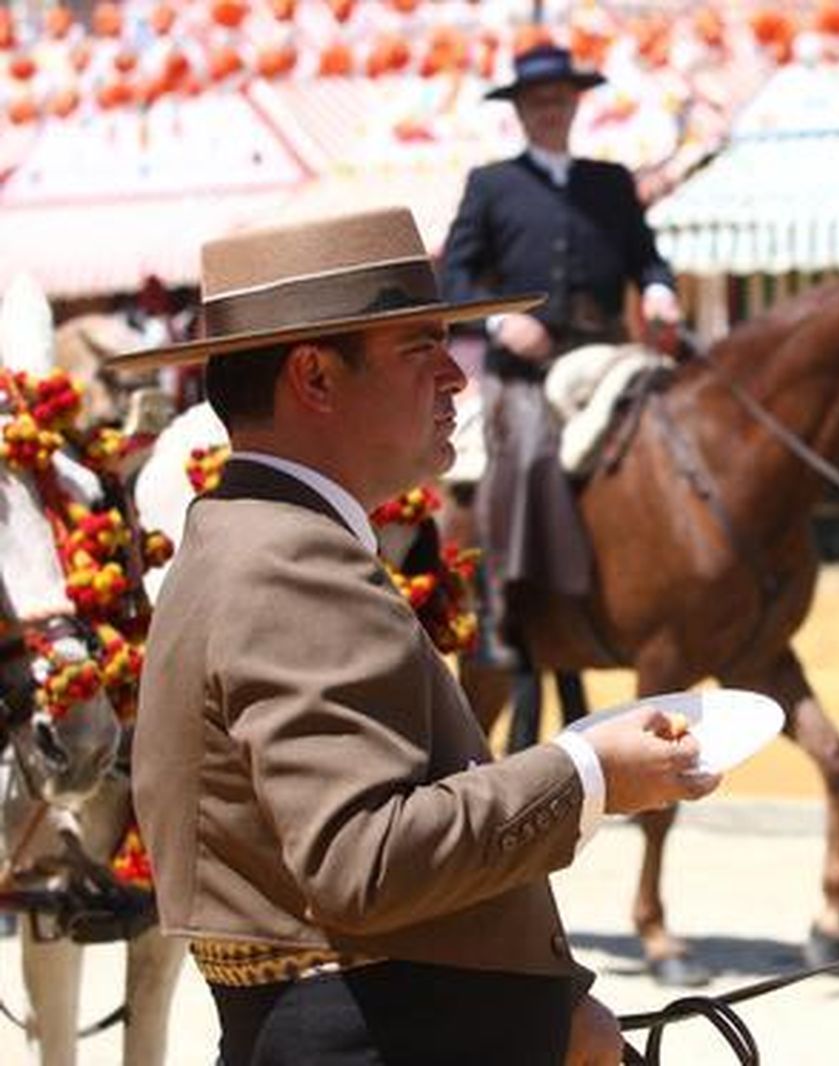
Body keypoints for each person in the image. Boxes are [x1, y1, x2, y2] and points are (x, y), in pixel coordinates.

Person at [120, 208, 719, 1066]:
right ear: (316, 378)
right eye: (419, 350)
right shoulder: (291, 563)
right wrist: (592, 774)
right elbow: (361, 860)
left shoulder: (243, 538)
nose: (456, 378)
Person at [440, 43, 681, 742]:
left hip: (606, 352)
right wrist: (500, 319)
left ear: (577, 104)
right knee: (529, 450)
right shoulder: (490, 184)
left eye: (562, 98)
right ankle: (517, 607)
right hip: (526, 367)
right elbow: (456, 280)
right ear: (519, 110)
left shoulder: (609, 182)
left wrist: (661, 291)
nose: (551, 110)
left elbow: (646, 256)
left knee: (670, 427)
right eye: (538, 100)